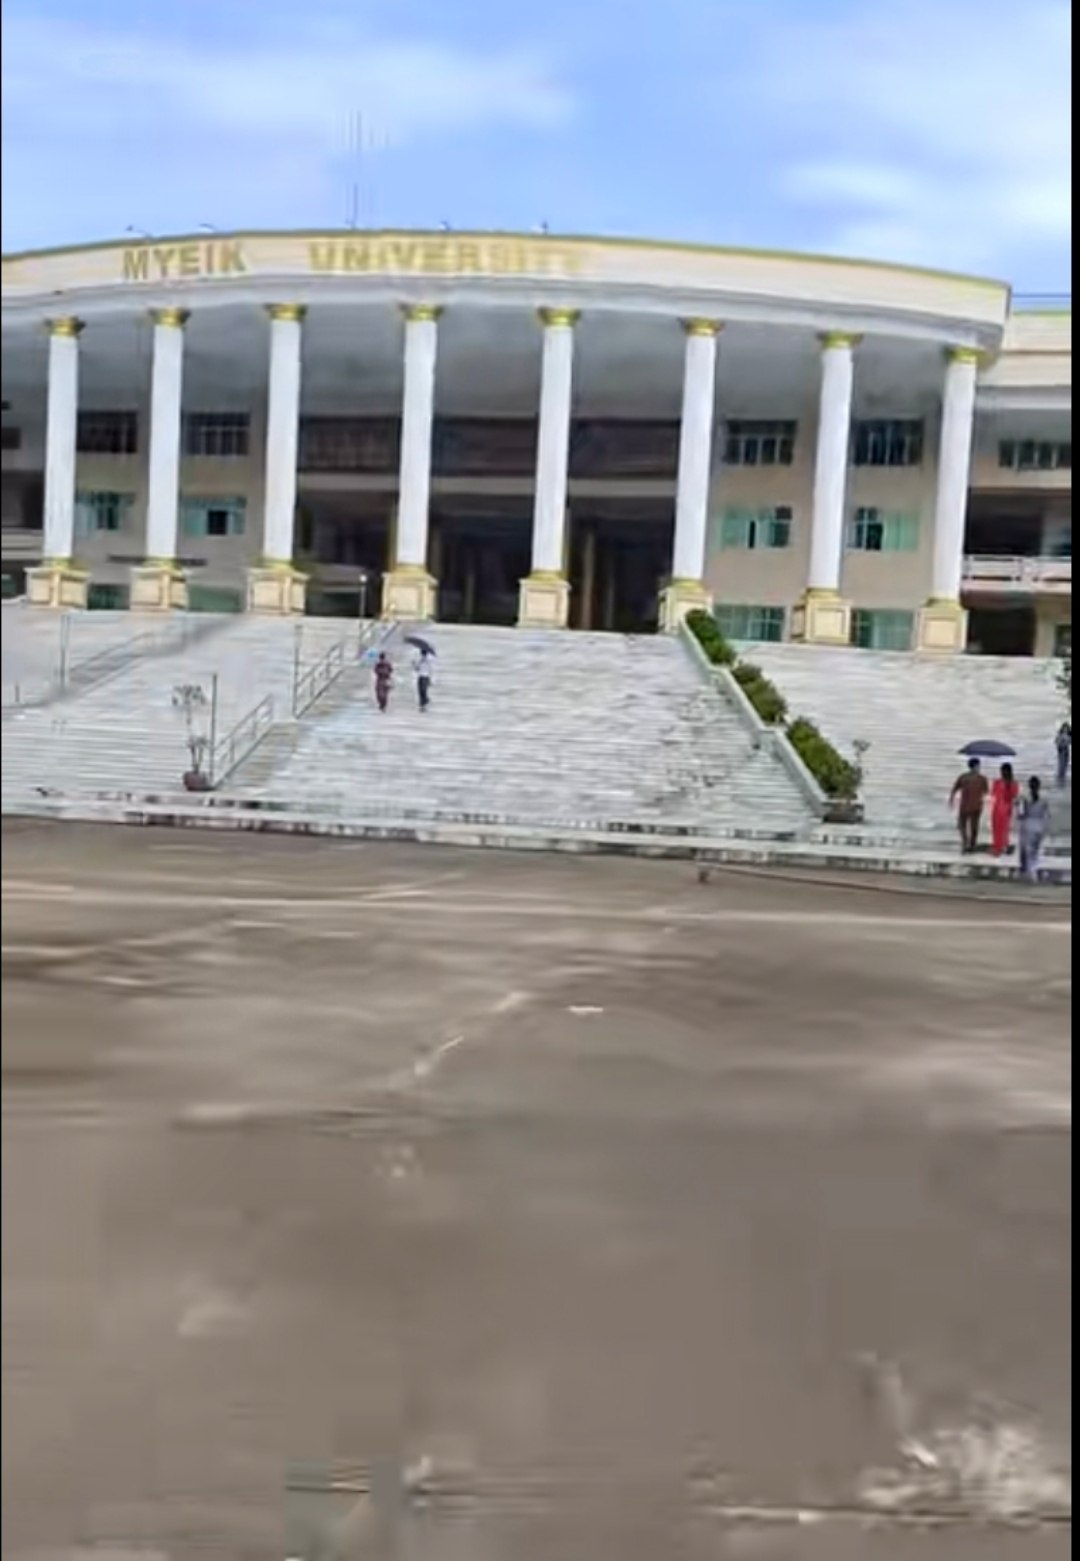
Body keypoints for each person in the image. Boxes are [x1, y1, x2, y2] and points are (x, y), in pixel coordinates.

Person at [950, 757, 989, 854]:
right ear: (976, 766)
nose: (979, 767)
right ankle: (972, 845)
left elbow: (954, 790)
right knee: (974, 827)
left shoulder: (963, 777)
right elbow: (986, 793)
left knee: (962, 825)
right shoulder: (982, 779)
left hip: (965, 806)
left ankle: (965, 843)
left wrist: (951, 800)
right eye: (979, 766)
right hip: (976, 806)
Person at [1017, 776, 1051, 883]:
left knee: (1027, 850)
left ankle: (1029, 872)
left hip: (1027, 825)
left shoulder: (1024, 797)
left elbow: (1020, 814)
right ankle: (1033, 870)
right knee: (1035, 850)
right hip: (1039, 826)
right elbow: (1046, 815)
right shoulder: (1044, 798)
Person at [989, 761, 1020, 857]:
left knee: (997, 829)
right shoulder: (1013, 783)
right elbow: (1014, 796)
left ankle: (998, 848)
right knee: (1004, 829)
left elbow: (993, 793)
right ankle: (1003, 845)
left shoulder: (998, 782)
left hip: (998, 808)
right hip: (1006, 808)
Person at [414, 648, 434, 712]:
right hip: (420, 677)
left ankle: (425, 701)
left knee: (424, 690)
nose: (422, 655)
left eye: (423, 654)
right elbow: (417, 669)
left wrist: (431, 679)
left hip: (426, 677)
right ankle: (422, 706)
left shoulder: (429, 660)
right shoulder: (420, 660)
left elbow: (431, 670)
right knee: (420, 691)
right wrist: (414, 664)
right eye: (422, 654)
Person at [1055, 720, 1071, 788]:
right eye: (1064, 728)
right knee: (1061, 766)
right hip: (1061, 751)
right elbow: (1056, 742)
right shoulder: (1060, 734)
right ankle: (1060, 779)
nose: (1065, 729)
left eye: (1067, 728)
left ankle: (1062, 779)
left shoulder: (1068, 735)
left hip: (1066, 751)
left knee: (1065, 766)